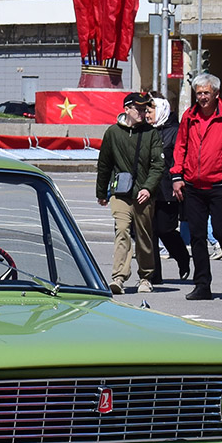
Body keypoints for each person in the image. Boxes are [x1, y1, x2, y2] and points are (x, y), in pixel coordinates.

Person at [171, 73, 222, 300]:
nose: (202, 97)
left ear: (216, 94)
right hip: (193, 186)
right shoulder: (189, 116)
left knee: (221, 230)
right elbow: (181, 147)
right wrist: (177, 176)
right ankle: (202, 284)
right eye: (199, 93)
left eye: (206, 93)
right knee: (196, 235)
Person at [96, 92, 164, 294]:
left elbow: (158, 165)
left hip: (143, 194)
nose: (143, 112)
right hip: (121, 192)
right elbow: (104, 164)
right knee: (122, 230)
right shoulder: (113, 133)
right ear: (127, 109)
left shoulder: (151, 134)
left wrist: (148, 188)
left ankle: (145, 277)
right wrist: (102, 192)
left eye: (145, 109)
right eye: (139, 109)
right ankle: (118, 277)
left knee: (144, 236)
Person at [149, 94, 190, 284]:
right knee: (149, 232)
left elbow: (179, 159)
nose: (147, 114)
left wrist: (177, 179)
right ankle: (153, 275)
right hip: (148, 189)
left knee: (165, 229)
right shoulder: (146, 131)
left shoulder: (175, 131)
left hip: (168, 189)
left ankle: (182, 257)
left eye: (151, 110)